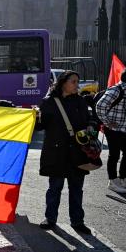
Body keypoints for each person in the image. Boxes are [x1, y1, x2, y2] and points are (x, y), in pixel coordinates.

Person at [36, 70, 94, 235]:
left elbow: (89, 119)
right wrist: (35, 117)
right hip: (56, 152)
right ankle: (50, 219)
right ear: (63, 83)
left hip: (77, 151)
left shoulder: (80, 101)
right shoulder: (49, 102)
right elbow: (41, 126)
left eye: (78, 81)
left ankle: (77, 221)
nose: (77, 85)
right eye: (73, 82)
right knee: (55, 187)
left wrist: (91, 126)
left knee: (77, 189)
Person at [96, 66, 126, 194]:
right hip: (114, 130)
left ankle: (123, 180)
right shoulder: (116, 90)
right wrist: (107, 122)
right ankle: (112, 182)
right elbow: (99, 106)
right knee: (114, 156)